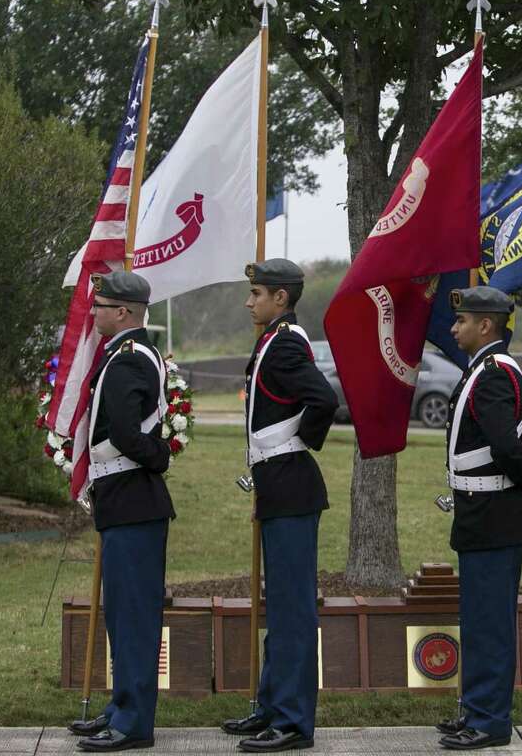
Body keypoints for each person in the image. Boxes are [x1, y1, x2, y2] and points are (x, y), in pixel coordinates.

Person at [222, 259, 338, 753]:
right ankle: (271, 706)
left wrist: (296, 443)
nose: (249, 301)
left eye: (257, 293)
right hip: (278, 487)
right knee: (280, 609)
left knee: (292, 613)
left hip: (291, 485)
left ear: (281, 299)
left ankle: (292, 721)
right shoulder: (273, 338)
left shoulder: (287, 342)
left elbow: (324, 400)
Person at [69, 272, 174, 752]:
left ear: (125, 313)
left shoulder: (128, 361)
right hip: (124, 503)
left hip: (133, 501)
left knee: (132, 617)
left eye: (102, 306)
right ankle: (120, 707)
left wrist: (159, 459)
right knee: (121, 615)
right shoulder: (121, 354)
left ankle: (133, 722)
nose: (94, 314)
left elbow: (129, 434)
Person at [435, 286, 522, 751]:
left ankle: (491, 720)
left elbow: (504, 445)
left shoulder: (494, 373)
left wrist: (521, 480)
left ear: (486, 326)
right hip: (481, 513)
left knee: (491, 622)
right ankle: (475, 709)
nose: (454, 328)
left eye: (462, 320)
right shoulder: (481, 368)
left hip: (495, 512)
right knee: (477, 619)